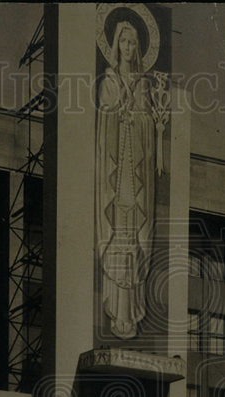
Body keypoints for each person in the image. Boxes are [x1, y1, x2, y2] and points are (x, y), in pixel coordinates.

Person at [96, 19, 156, 340]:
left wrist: (138, 118)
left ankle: (131, 309)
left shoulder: (144, 83)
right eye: (124, 43)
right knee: (118, 236)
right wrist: (118, 112)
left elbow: (148, 120)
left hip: (137, 171)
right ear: (116, 45)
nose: (128, 49)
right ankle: (116, 308)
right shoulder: (109, 79)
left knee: (133, 239)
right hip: (116, 170)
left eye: (133, 44)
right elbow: (105, 115)